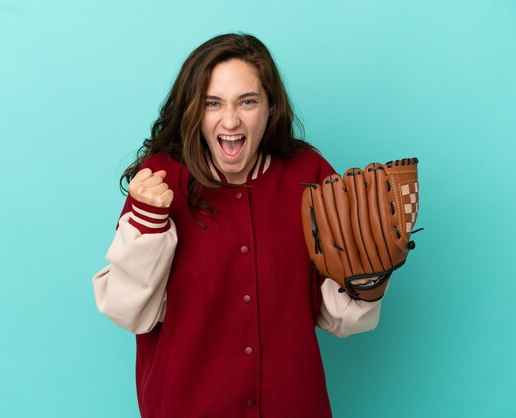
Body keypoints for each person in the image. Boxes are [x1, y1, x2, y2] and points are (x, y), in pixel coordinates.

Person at [93, 33, 383, 418]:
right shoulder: (160, 179)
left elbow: (335, 315)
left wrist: (369, 275)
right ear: (193, 110)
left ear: (271, 107)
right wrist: (148, 222)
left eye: (248, 101)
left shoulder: (309, 173)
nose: (230, 120)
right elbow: (129, 313)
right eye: (213, 103)